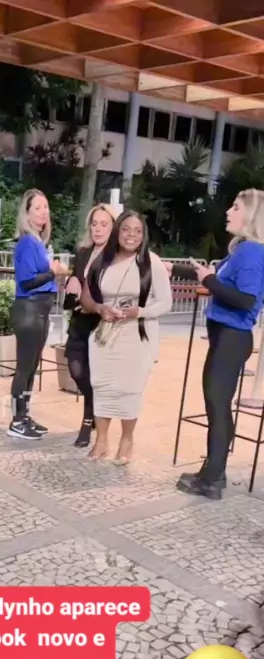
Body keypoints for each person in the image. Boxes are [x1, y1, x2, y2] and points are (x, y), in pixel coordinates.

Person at [170, 189, 264, 500]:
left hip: (232, 338)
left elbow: (245, 299)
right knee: (217, 406)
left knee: (218, 406)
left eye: (235, 207)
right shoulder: (241, 250)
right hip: (225, 337)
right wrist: (171, 269)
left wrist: (209, 281)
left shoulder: (252, 252)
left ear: (251, 215)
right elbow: (211, 277)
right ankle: (214, 470)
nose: (228, 211)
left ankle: (211, 479)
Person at [80, 211, 172, 463]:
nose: (131, 235)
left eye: (137, 230)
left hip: (137, 335)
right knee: (102, 386)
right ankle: (101, 441)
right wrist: (100, 308)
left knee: (129, 389)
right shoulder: (102, 260)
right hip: (105, 334)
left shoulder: (151, 263)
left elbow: (166, 303)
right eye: (126, 229)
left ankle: (127, 440)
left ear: (144, 235)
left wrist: (139, 312)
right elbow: (85, 297)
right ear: (117, 231)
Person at [8, 189, 68, 440]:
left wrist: (54, 273)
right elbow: (27, 281)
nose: (44, 212)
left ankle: (24, 415)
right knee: (24, 368)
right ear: (27, 213)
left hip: (40, 310)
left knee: (32, 367)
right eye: (37, 208)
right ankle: (16, 420)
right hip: (29, 310)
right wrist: (53, 272)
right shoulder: (27, 243)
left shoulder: (38, 243)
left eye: (46, 207)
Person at [63, 204, 116, 447]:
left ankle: (87, 423)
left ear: (113, 228)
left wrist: (92, 304)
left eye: (104, 224)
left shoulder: (116, 258)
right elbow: (70, 296)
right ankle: (95, 409)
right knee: (76, 371)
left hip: (100, 327)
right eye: (94, 224)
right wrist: (70, 286)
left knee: (93, 376)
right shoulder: (83, 252)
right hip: (78, 324)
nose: (98, 229)